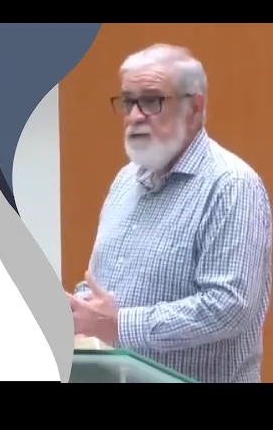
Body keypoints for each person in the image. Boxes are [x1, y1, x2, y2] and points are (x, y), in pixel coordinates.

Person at [67, 43, 272, 383]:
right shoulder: (125, 181)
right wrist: (75, 309)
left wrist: (120, 324)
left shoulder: (231, 185)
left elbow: (228, 307)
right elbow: (107, 286)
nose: (135, 116)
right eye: (128, 101)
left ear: (194, 108)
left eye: (152, 101)